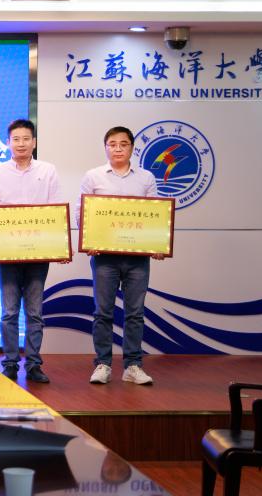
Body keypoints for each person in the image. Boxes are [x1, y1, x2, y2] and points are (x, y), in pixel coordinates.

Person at [79, 126, 165, 386]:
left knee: (135, 313)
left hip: (137, 259)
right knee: (103, 313)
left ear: (132, 148)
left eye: (123, 144)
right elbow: (82, 213)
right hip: (104, 257)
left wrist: (156, 243)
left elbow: (155, 215)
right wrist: (88, 239)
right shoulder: (93, 176)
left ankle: (133, 366)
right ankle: (103, 364)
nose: (118, 148)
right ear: (105, 147)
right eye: (112, 144)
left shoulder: (146, 177)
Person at [0, 119, 60, 383]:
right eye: (16, 139)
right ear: (8, 143)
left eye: (26, 139)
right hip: (7, 254)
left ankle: (34, 364)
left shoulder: (48, 171)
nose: (21, 144)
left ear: (34, 142)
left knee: (35, 313)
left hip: (38, 254)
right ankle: (11, 363)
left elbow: (56, 209)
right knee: (9, 312)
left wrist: (57, 245)